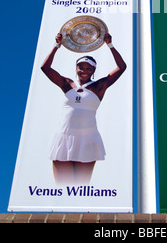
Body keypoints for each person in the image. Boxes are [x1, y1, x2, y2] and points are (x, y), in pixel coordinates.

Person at [41, 32, 126, 184]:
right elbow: (45, 68)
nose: (85, 71)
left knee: (80, 189)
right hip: (64, 138)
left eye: (89, 68)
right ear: (76, 68)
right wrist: (57, 45)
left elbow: (121, 67)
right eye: (81, 67)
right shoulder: (66, 84)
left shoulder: (99, 86)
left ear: (94, 70)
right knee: (62, 188)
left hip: (87, 140)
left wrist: (110, 45)